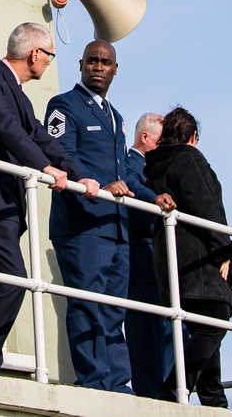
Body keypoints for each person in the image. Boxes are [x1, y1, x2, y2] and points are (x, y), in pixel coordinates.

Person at [0, 22, 98, 374]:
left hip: (5, 201)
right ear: (35, 54)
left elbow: (42, 138)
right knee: (12, 279)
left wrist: (79, 176)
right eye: (50, 56)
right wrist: (45, 167)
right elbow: (5, 127)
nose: (49, 63)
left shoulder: (20, 95)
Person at [45, 39, 156, 393]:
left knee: (113, 309)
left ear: (115, 69)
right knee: (88, 303)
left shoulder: (115, 116)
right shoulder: (64, 105)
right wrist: (100, 183)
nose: (97, 66)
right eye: (92, 60)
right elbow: (60, 154)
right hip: (82, 223)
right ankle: (94, 380)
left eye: (105, 62)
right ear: (80, 64)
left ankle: (116, 382)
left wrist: (157, 199)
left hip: (116, 227)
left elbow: (125, 171)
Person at [145, 107, 232, 407]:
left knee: (203, 328)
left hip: (172, 264)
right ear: (193, 136)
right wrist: (224, 250)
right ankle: (173, 389)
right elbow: (205, 206)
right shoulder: (189, 158)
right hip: (198, 262)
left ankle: (214, 399)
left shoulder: (155, 166)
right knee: (216, 321)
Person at [125, 113, 175, 398]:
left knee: (170, 331)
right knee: (145, 332)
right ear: (145, 137)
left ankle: (170, 393)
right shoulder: (129, 162)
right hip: (140, 258)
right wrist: (155, 198)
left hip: (160, 261)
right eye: (160, 140)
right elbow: (132, 187)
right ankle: (151, 395)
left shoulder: (161, 167)